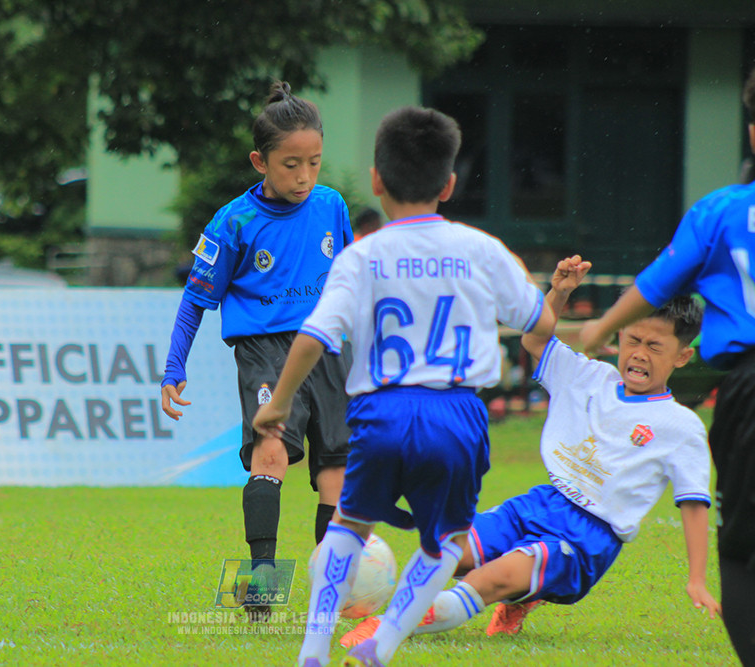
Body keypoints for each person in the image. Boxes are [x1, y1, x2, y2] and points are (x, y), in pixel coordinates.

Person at [252, 105, 555, 667]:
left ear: (375, 179)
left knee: (348, 524)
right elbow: (539, 320)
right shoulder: (480, 249)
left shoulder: (361, 256)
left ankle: (312, 651)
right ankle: (382, 646)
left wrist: (283, 402)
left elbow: (314, 335)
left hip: (381, 412)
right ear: (449, 183)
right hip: (457, 413)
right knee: (446, 543)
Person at [340, 256, 721, 650]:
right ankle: (522, 594)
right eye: (633, 340)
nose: (640, 353)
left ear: (681, 356)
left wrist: (697, 579)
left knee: (484, 582)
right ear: (618, 336)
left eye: (655, 346)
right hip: (538, 503)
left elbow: (693, 503)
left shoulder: (680, 425)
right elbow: (534, 341)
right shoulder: (588, 376)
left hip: (586, 537)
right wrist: (559, 292)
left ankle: (387, 627)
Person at [580, 66, 755, 666]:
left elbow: (655, 284)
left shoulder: (722, 212)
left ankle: (266, 598)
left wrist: (599, 327)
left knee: (742, 542)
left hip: (749, 387)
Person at [160, 81, 354, 618]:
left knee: (334, 469)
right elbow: (195, 300)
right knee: (271, 451)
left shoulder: (332, 206)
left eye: (314, 162)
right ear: (259, 161)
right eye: (291, 164)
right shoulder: (233, 223)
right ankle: (262, 584)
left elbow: (354, 279)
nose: (304, 176)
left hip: (331, 347)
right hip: (265, 350)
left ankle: (326, 583)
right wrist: (174, 368)